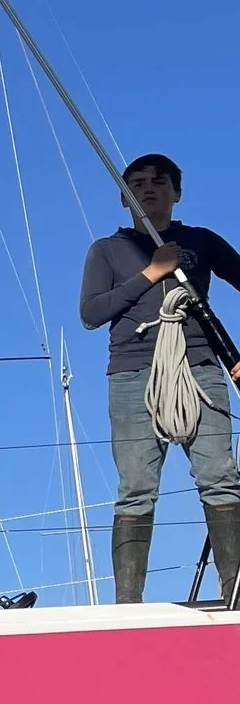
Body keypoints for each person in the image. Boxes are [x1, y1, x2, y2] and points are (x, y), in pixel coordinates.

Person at [79, 154, 240, 605]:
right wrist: (152, 272)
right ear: (123, 197)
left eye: (159, 182)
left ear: (177, 192)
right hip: (132, 372)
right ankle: (128, 606)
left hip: (200, 365)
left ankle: (235, 593)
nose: (148, 189)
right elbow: (91, 312)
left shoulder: (201, 240)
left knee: (219, 476)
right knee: (136, 488)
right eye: (137, 183)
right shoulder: (106, 250)